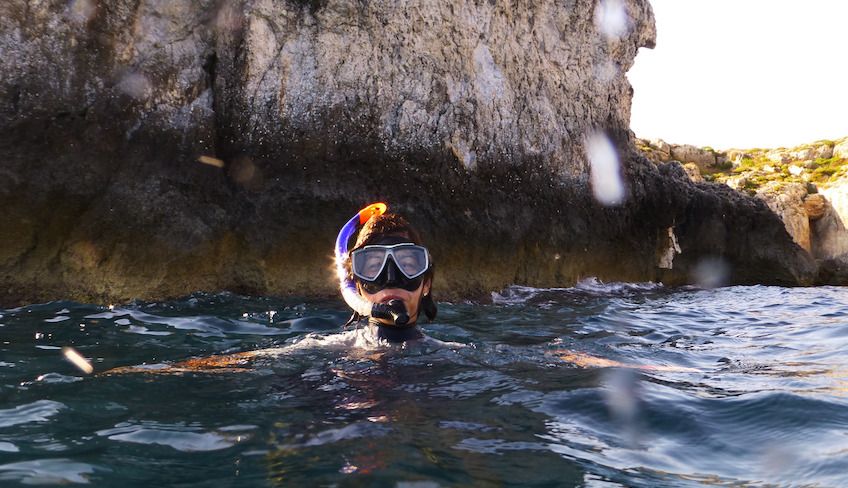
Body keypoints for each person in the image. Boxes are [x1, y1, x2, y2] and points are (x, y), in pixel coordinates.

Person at [334, 203, 437, 343]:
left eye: (406, 264)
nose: (391, 279)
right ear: (357, 286)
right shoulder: (319, 351)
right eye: (375, 266)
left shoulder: (454, 358)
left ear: (426, 284)